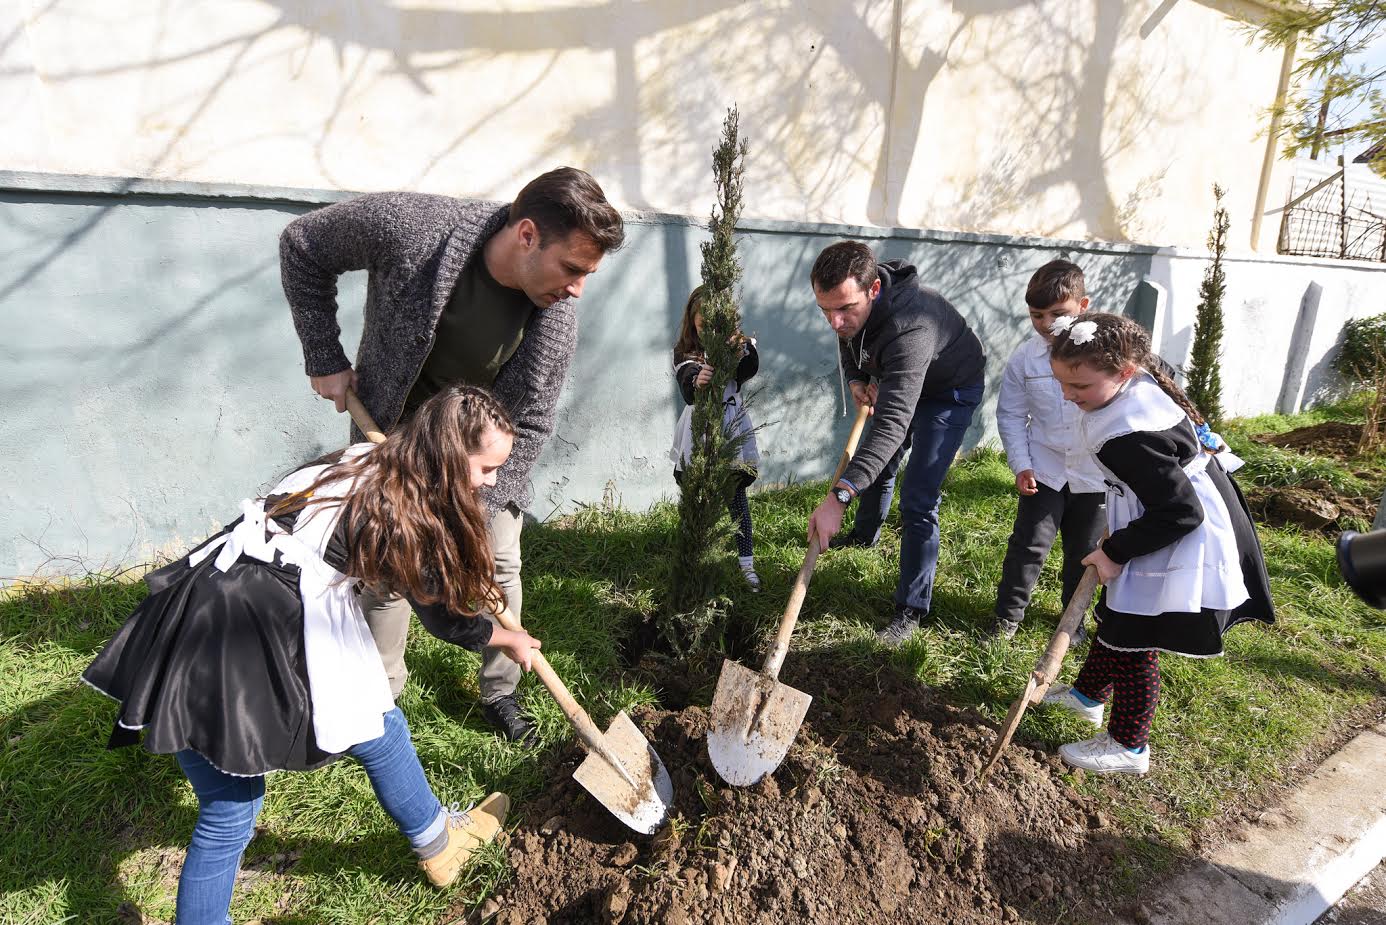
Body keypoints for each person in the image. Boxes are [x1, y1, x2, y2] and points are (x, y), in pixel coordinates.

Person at [82, 386, 543, 922]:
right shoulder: (400, 511)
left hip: (213, 599)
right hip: (246, 627)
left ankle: (438, 841)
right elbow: (442, 618)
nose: (491, 482)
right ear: (449, 453)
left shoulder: (368, 461)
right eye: (486, 468)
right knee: (230, 810)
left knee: (376, 722)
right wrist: (506, 638)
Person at [279, 167, 624, 743]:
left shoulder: (554, 318)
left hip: (484, 466)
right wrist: (324, 355)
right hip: (393, 442)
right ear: (527, 235)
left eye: (587, 274)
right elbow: (304, 244)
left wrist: (473, 512)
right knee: (386, 571)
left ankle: (501, 691)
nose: (577, 289)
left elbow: (532, 421)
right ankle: (377, 700)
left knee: (498, 564)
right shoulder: (415, 229)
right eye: (572, 268)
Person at [1040, 313, 1274, 774]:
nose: (1068, 395)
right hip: (1157, 508)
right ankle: (1087, 697)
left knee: (1135, 634)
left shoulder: (1130, 437)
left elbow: (1182, 513)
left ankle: (1128, 746)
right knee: (1118, 616)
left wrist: (1115, 551)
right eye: (1062, 383)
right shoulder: (1134, 377)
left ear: (1124, 371)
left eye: (1080, 386)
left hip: (1177, 528)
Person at [806, 241, 987, 646]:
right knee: (877, 465)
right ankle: (864, 534)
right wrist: (857, 378)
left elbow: (891, 427)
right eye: (824, 310)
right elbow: (848, 339)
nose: (834, 321)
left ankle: (911, 608)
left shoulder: (911, 327)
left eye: (844, 309)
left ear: (873, 290)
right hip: (902, 380)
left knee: (918, 496)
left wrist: (839, 497)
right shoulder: (850, 308)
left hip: (949, 391)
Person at [992, 260, 1106, 640]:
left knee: (1084, 551)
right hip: (1045, 470)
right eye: (1036, 315)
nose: (1045, 323)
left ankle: (1072, 621)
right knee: (1028, 545)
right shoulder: (1025, 359)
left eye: (1058, 313)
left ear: (1083, 305)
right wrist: (1021, 464)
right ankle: (1007, 619)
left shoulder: (1105, 355)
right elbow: (1011, 415)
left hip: (1094, 475)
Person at [669, 285, 762, 591]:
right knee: (695, 499)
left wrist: (740, 348)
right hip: (699, 431)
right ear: (692, 322)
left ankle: (746, 564)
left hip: (731, 429)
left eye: (715, 324)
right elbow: (687, 383)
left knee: (736, 498)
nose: (709, 331)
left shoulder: (737, 345)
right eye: (702, 325)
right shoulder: (685, 352)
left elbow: (748, 368)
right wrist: (698, 380)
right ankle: (693, 562)